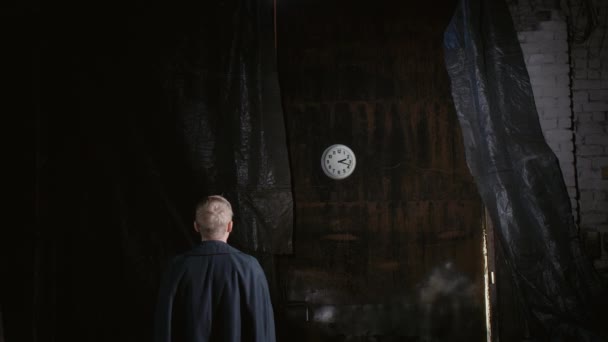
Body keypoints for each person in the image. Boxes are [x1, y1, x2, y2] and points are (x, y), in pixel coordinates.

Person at [154, 195, 276, 342]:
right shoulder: (250, 268)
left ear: (196, 226)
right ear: (230, 226)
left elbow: (164, 328)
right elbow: (262, 328)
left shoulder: (177, 267)